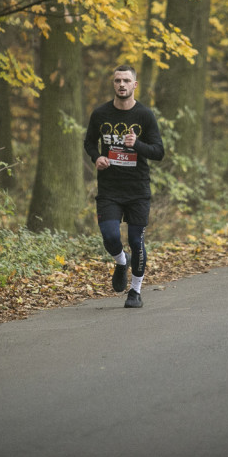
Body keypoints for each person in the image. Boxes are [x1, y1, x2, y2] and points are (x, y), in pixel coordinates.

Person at [83, 64, 164, 308]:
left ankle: (135, 291)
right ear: (113, 84)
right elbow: (89, 143)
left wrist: (137, 144)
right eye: (118, 80)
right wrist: (96, 157)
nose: (121, 84)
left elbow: (158, 152)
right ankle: (120, 261)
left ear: (134, 85)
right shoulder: (100, 114)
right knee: (109, 235)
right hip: (109, 188)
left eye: (126, 81)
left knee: (137, 240)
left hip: (138, 189)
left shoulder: (144, 115)